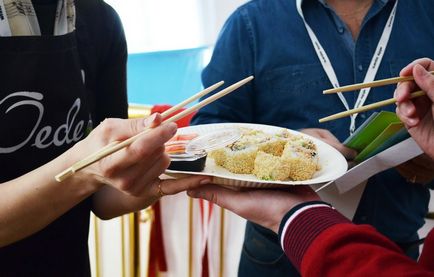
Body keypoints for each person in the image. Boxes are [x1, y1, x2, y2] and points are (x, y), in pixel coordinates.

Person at [191, 0, 434, 275]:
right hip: (279, 255)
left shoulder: (426, 15)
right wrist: (285, 146)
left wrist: (428, 164)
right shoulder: (251, 22)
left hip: (394, 257)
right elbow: (208, 133)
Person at [0, 0, 211, 276]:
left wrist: (160, 175)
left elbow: (103, 200)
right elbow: (88, 175)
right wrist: (83, 171)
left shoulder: (98, 19)